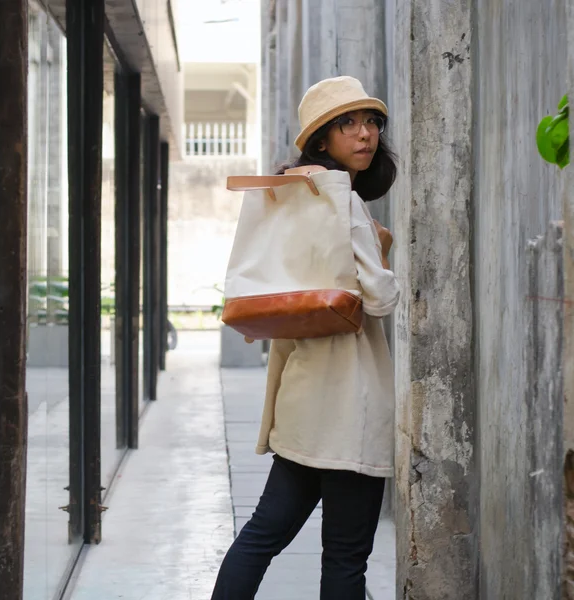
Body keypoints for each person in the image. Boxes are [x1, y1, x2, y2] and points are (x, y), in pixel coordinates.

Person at [211, 75, 401, 600]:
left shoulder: (288, 202)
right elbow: (380, 301)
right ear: (322, 140)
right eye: (348, 124)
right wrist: (380, 250)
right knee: (345, 560)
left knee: (259, 538)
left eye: (371, 123)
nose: (365, 135)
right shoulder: (346, 205)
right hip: (351, 408)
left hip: (302, 402)